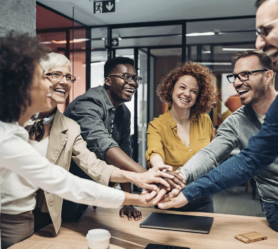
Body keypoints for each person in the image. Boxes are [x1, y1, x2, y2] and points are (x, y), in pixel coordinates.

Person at [0, 32, 170, 249]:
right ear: (23, 85)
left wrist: (135, 193)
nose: (61, 83)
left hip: (28, 215)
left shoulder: (60, 128)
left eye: (69, 77)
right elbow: (69, 179)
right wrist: (140, 186)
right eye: (46, 77)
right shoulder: (7, 134)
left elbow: (88, 170)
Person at [158, 0, 278, 242]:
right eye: (235, 76)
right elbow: (231, 157)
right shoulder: (242, 119)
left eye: (265, 30)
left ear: (268, 76)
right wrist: (183, 182)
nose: (237, 82)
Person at [64, 57, 183, 221]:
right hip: (66, 187)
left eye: (135, 78)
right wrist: (148, 175)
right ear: (107, 80)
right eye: (126, 77)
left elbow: (125, 152)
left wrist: (127, 202)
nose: (133, 83)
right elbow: (103, 143)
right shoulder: (88, 103)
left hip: (90, 189)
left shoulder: (124, 112)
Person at [146, 61, 215, 212]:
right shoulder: (157, 125)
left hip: (201, 197)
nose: (187, 94)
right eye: (182, 87)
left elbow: (212, 155)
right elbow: (154, 152)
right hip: (169, 197)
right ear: (171, 89)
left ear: (199, 96)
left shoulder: (205, 120)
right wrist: (159, 168)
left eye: (194, 91)